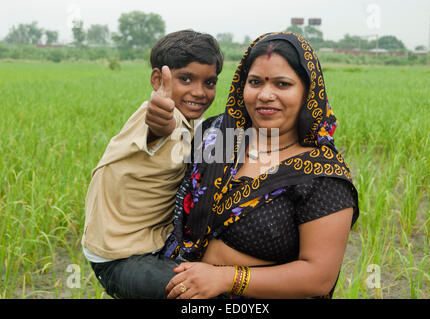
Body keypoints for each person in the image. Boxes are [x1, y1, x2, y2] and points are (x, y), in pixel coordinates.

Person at [163, 31, 360, 299]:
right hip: (180, 284)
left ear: (307, 92)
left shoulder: (323, 176)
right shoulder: (218, 134)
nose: (266, 95)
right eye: (255, 82)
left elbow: (319, 276)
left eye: (282, 84)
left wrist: (226, 278)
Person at [81, 30, 224, 299]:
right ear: (158, 80)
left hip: (155, 241)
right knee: (203, 297)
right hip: (120, 257)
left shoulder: (194, 126)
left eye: (209, 82)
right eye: (186, 79)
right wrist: (161, 119)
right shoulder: (157, 117)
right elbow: (158, 127)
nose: (199, 92)